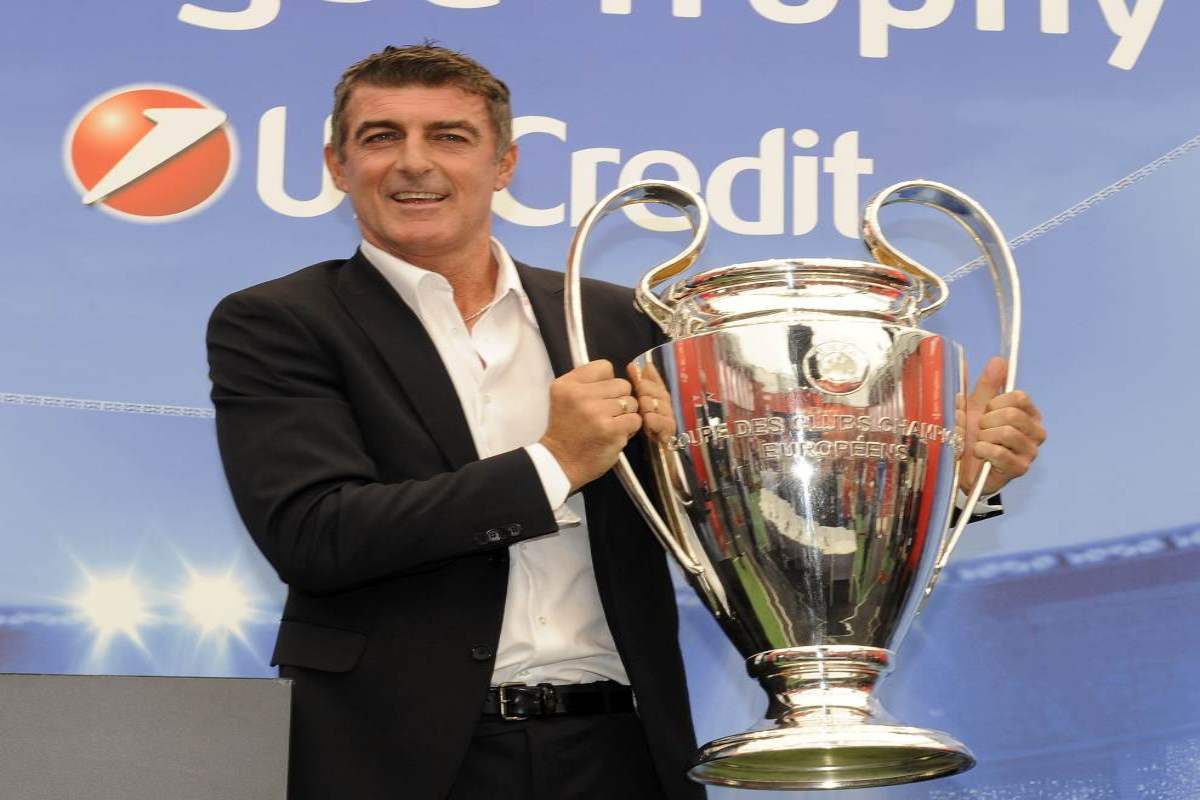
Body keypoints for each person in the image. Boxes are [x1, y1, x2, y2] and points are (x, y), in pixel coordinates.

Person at [206, 44, 1046, 800]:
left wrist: (944, 471)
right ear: (336, 163)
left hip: (619, 751)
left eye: (450, 137)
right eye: (381, 136)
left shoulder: (614, 323)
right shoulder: (277, 323)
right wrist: (553, 461)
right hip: (396, 760)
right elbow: (316, 533)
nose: (413, 163)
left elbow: (748, 515)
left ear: (503, 165)